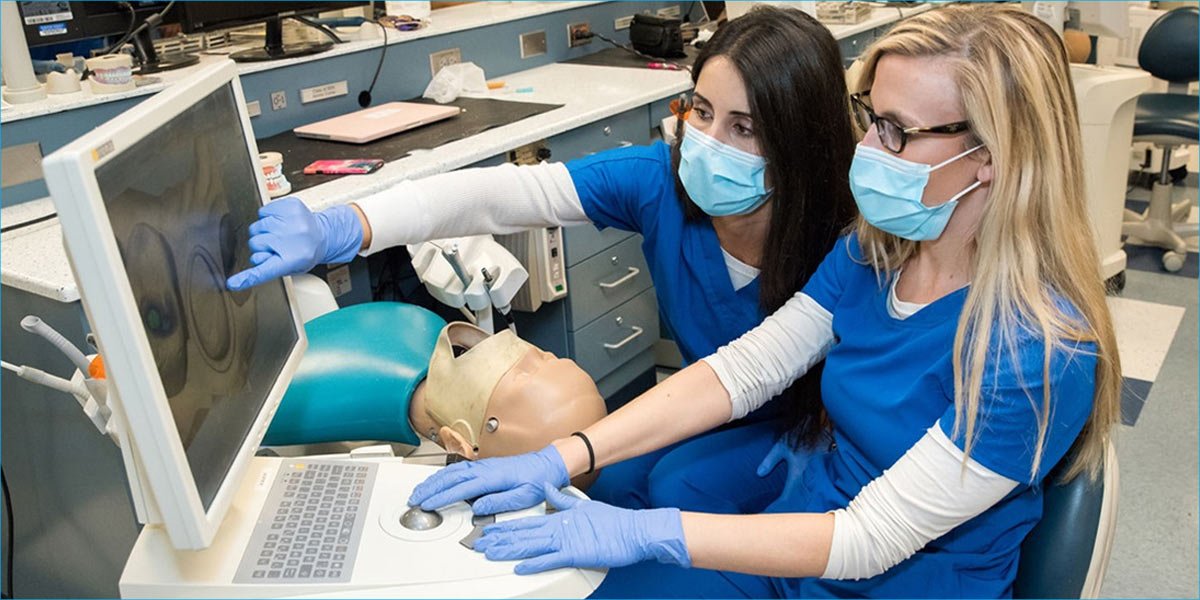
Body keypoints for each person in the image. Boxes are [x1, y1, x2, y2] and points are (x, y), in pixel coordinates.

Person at [404, 4, 1122, 598]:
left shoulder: (1040, 351)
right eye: (872, 117)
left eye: (897, 132)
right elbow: (744, 370)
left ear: (993, 156)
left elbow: (873, 539)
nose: (867, 147)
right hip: (807, 532)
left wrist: (652, 532)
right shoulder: (873, 254)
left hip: (896, 575)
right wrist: (564, 456)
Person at [227, 6, 857, 514]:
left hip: (807, 432)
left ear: (800, 138)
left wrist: (826, 443)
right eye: (701, 110)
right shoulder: (658, 183)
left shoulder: (852, 235)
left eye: (744, 129)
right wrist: (350, 224)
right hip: (699, 407)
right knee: (599, 481)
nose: (707, 142)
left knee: (676, 491)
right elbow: (502, 196)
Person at [261, 302, 607, 486]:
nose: (516, 350)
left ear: (460, 444)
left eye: (520, 373)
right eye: (546, 356)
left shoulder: (314, 390)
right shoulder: (415, 332)